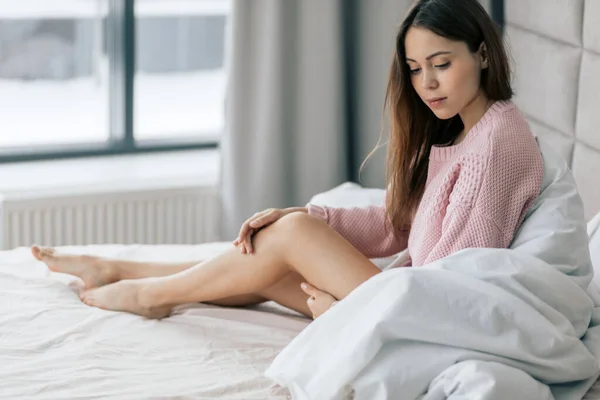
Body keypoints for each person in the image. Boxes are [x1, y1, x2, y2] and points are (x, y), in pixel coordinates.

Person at [31, 0, 543, 321]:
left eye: (441, 64)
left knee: (293, 239)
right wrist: (309, 214)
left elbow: (455, 277)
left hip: (428, 308)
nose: (425, 84)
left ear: (482, 53)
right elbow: (400, 223)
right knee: (271, 260)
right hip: (414, 294)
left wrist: (345, 311)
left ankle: (151, 295)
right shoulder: (465, 131)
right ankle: (119, 267)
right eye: (414, 69)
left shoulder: (496, 140)